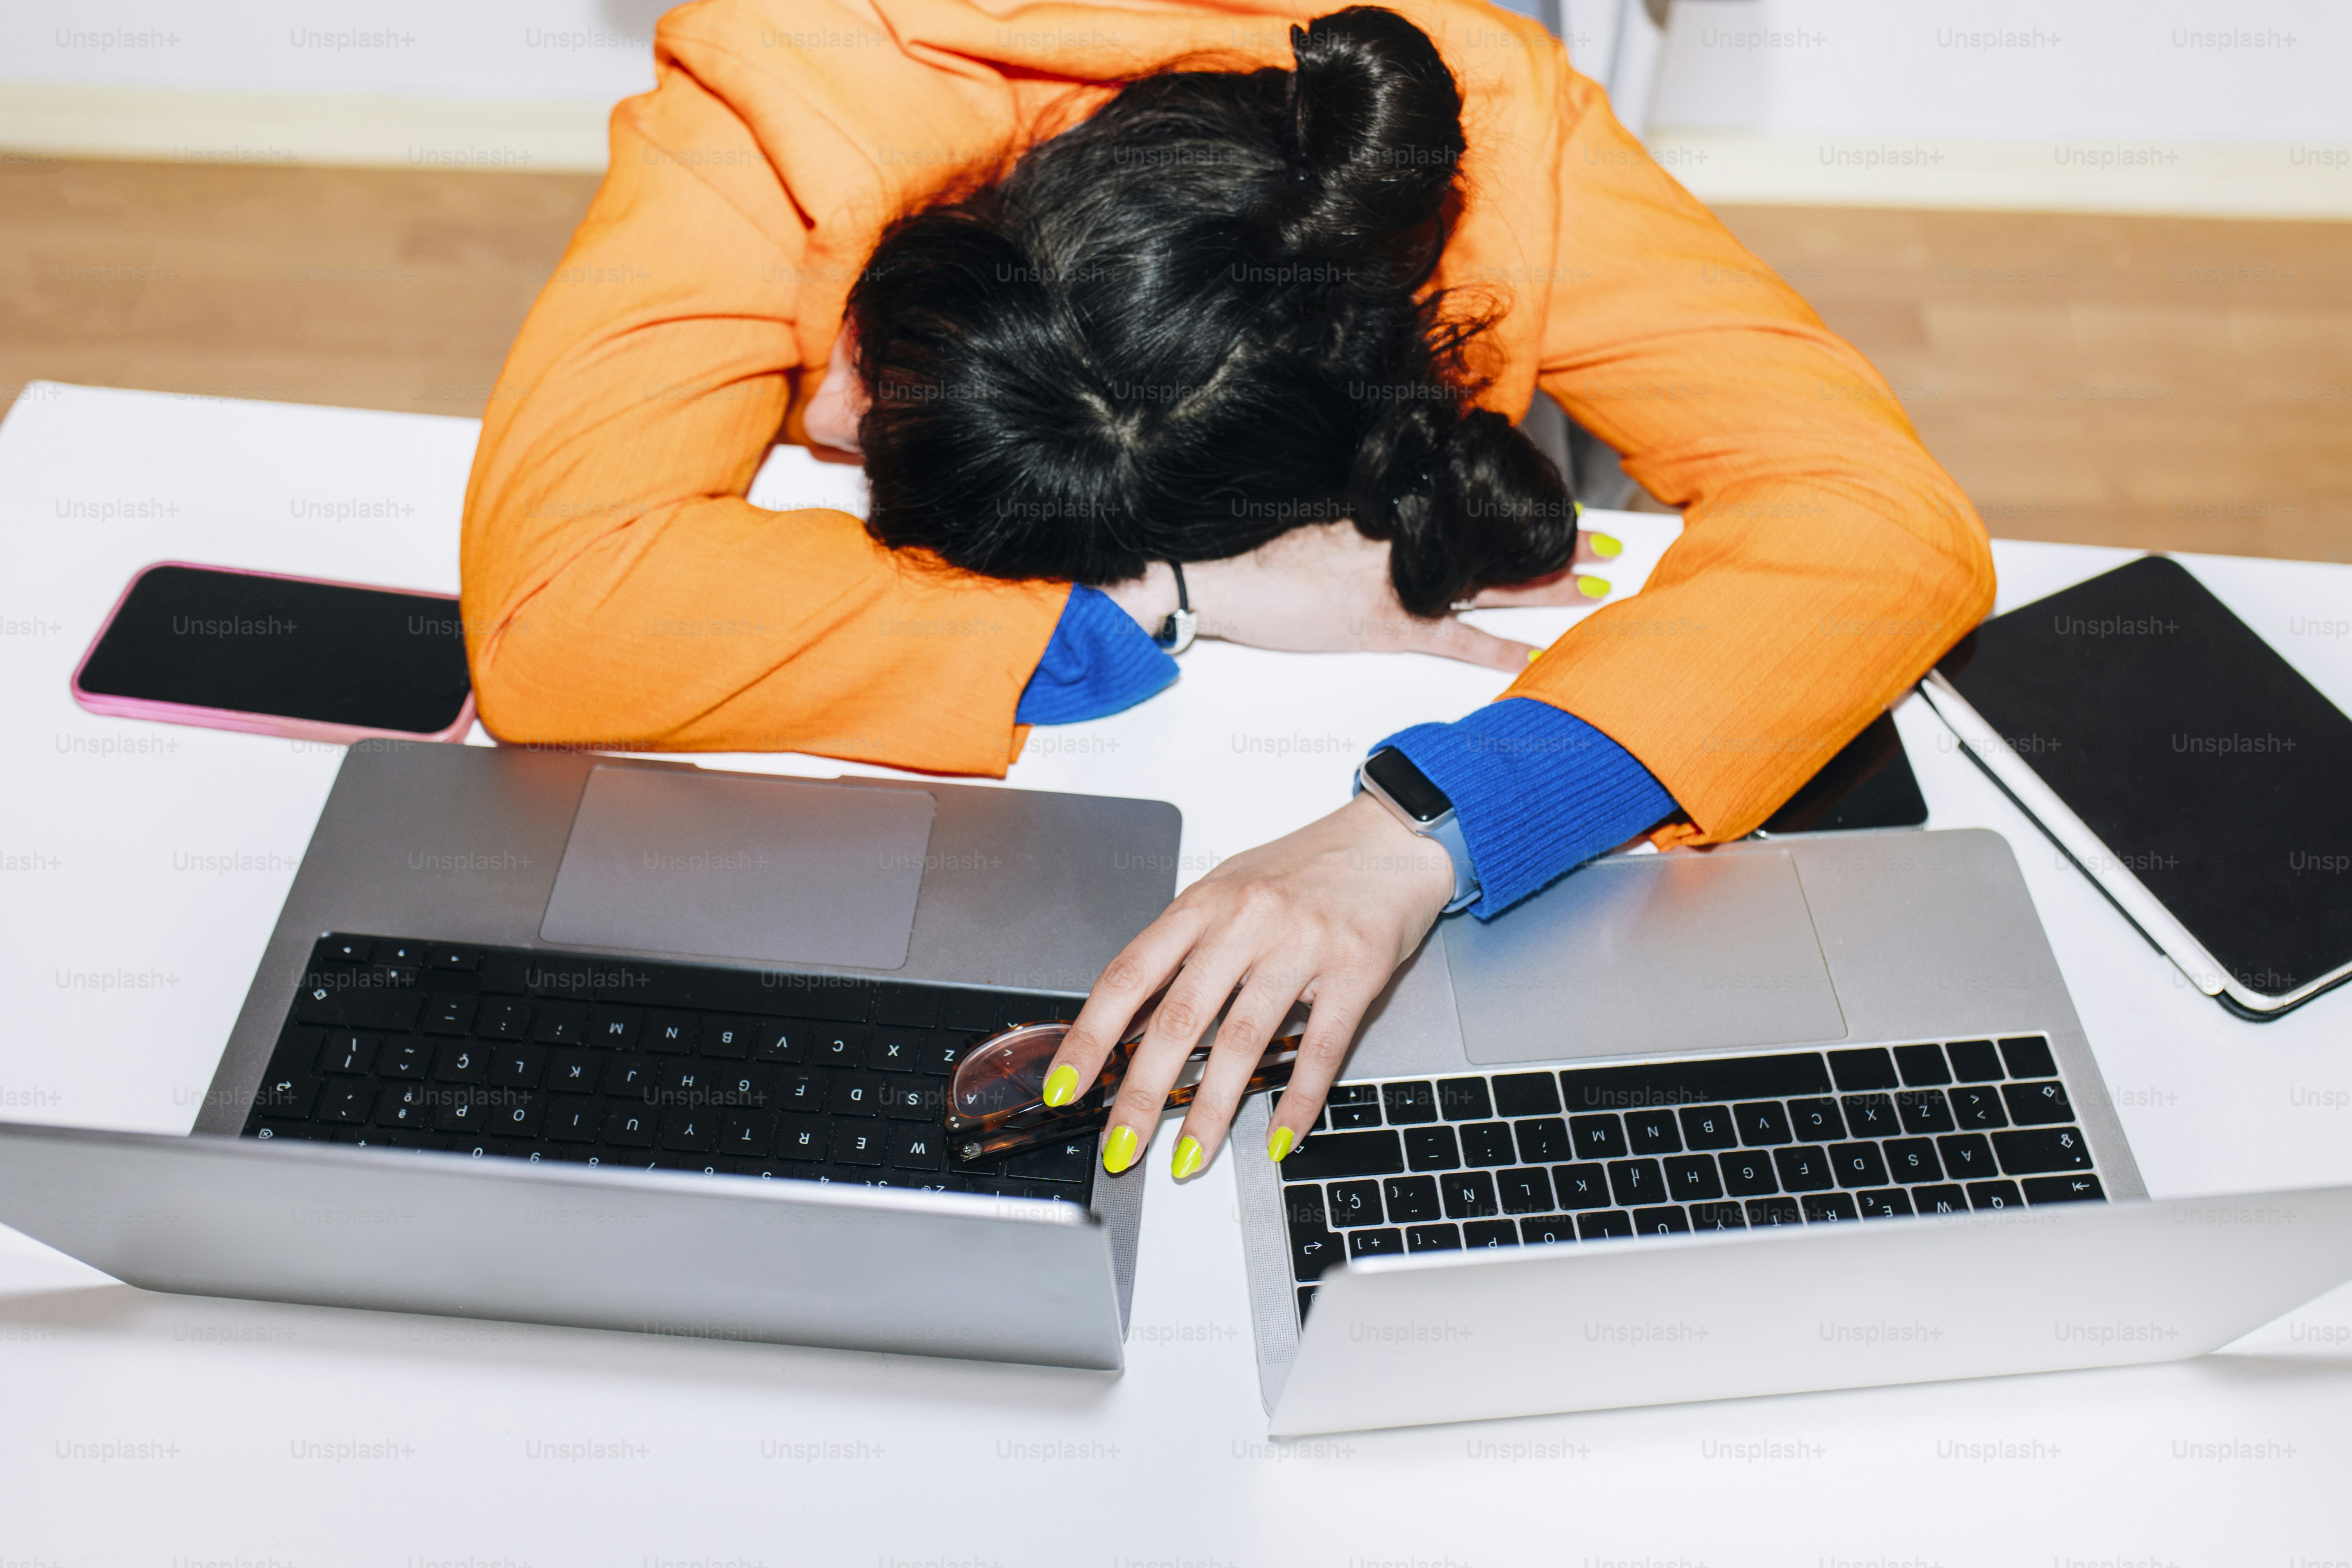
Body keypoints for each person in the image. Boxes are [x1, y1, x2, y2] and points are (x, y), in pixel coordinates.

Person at [460, 0, 1993, 1185]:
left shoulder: (1504, 125)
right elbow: (560, 603)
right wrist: (1158, 599)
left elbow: (1875, 517)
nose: (829, 422)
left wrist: (1424, 827)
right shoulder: (794, 82)